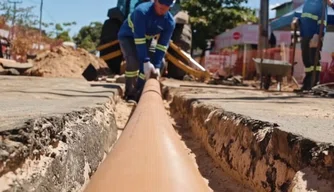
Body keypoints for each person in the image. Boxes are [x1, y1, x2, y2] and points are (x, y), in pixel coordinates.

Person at [117, 0, 176, 103]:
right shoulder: (142, 11)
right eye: (161, 2)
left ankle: (139, 94)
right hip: (128, 36)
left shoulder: (170, 22)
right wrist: (145, 61)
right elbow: (139, 38)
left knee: (158, 64)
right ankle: (130, 94)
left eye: (167, 4)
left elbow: (162, 46)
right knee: (134, 62)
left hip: (147, 39)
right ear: (155, 1)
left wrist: (157, 66)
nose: (163, 6)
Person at [292, 0, 334, 92]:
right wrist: (297, 21)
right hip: (305, 35)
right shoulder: (307, 3)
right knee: (306, 60)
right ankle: (307, 85)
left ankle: (314, 84)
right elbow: (304, 17)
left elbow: (323, 21)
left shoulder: (320, 3)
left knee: (313, 60)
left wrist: (318, 35)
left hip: (314, 35)